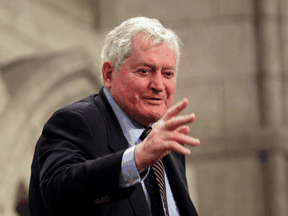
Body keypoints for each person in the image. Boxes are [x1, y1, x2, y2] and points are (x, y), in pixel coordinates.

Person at [29, 16, 200, 216]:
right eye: (144, 71)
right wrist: (137, 159)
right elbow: (57, 193)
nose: (159, 85)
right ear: (109, 74)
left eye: (168, 74)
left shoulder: (166, 143)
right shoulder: (75, 122)